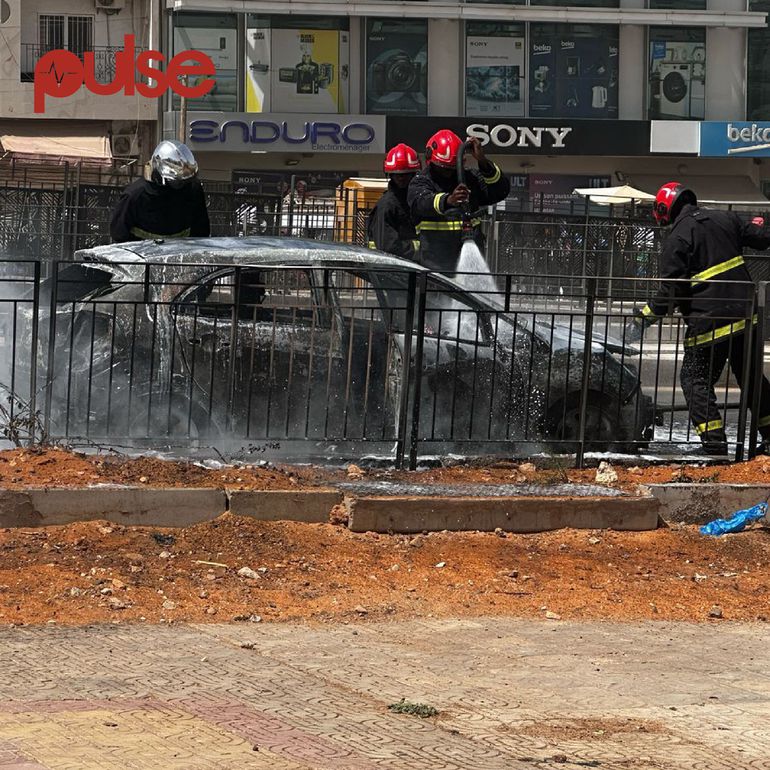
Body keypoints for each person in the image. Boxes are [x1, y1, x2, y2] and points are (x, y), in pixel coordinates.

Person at [627, 181, 770, 456]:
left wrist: (641, 320)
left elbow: (670, 292)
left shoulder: (678, 237)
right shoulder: (725, 219)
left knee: (694, 380)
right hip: (746, 315)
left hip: (709, 322)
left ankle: (714, 445)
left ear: (664, 210)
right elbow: (762, 238)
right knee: (752, 380)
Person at [407, 130, 510, 274]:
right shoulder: (421, 181)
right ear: (431, 160)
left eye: (452, 168)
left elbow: (500, 191)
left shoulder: (470, 178)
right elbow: (421, 203)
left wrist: (483, 162)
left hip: (469, 258)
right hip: (434, 264)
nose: (448, 173)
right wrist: (448, 200)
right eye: (443, 168)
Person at [110, 140, 210, 243]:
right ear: (159, 176)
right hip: (142, 252)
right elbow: (119, 235)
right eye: (177, 182)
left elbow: (201, 230)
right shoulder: (134, 196)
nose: (183, 186)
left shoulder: (192, 189)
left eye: (185, 181)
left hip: (182, 251)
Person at [366, 143, 421, 260]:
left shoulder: (412, 201)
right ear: (390, 175)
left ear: (414, 174)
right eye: (397, 175)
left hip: (408, 265)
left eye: (406, 174)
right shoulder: (387, 205)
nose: (402, 178)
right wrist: (422, 250)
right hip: (391, 267)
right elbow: (388, 247)